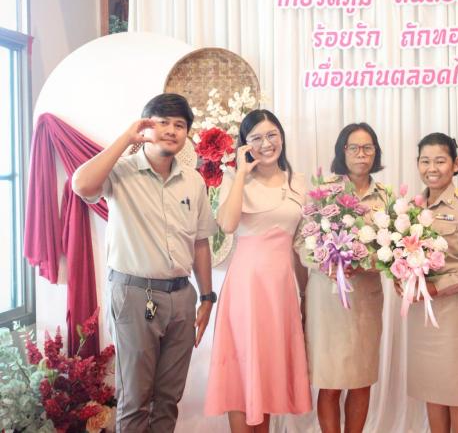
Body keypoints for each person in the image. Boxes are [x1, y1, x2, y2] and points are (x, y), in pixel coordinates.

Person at [71, 93, 218, 432]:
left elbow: (200, 242)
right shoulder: (121, 171)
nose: (171, 130)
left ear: (186, 133)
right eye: (162, 122)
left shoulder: (193, 180)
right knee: (135, 399)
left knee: (168, 399)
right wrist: (126, 139)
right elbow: (81, 184)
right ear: (145, 127)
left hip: (182, 297)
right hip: (135, 295)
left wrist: (207, 297)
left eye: (179, 124)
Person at [204, 109, 312, 432]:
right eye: (256, 138)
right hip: (246, 288)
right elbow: (227, 224)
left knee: (266, 371)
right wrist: (240, 173)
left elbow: (299, 246)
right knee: (242, 371)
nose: (266, 144)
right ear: (245, 144)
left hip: (280, 290)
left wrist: (305, 294)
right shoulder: (233, 179)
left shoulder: (298, 182)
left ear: (281, 137)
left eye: (272, 135)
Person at [297, 123, 387, 433]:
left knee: (362, 379)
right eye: (354, 148)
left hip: (365, 299)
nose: (361, 154)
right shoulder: (324, 192)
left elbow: (393, 250)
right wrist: (328, 263)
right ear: (342, 151)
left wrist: (363, 263)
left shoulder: (385, 198)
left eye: (368, 148)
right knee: (330, 381)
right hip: (327, 300)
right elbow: (301, 243)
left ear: (375, 152)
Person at [404, 132, 458, 433]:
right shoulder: (411, 208)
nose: (432, 168)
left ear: (455, 164)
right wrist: (402, 282)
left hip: (453, 312)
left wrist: (437, 287)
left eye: (440, 161)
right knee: (432, 387)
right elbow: (402, 256)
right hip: (420, 313)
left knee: (457, 389)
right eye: (425, 161)